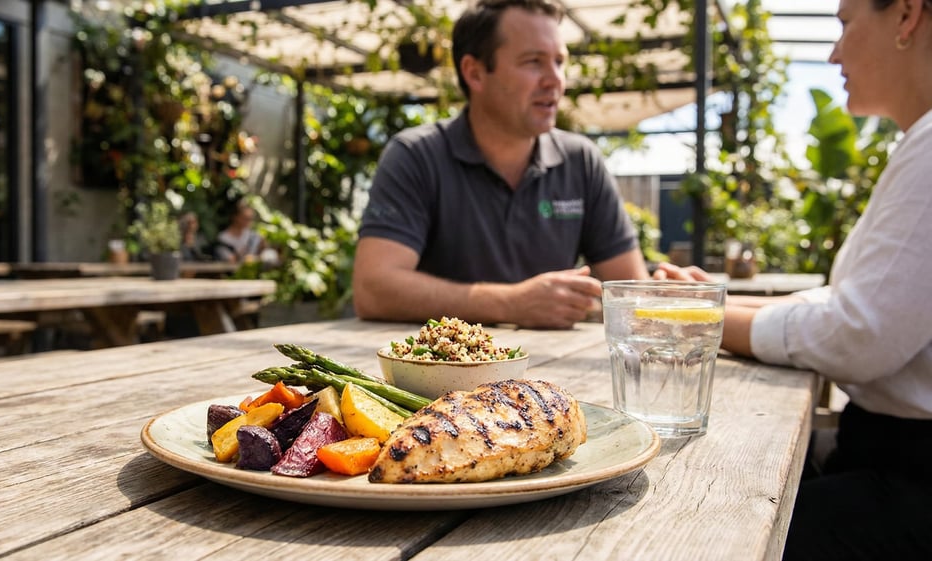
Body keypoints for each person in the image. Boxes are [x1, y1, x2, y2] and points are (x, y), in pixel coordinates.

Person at [655, 1, 932, 557]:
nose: (834, 52)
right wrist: (716, 303)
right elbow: (855, 305)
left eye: (845, 23)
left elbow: (859, 332)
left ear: (905, 16)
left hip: (912, 484)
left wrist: (694, 317)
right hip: (887, 455)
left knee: (696, 525)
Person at [352, 0, 649, 329]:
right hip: (439, 376)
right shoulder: (416, 155)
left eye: (559, 62)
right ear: (475, 73)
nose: (555, 80)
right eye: (534, 62)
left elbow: (633, 295)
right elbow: (373, 288)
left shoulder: (581, 161)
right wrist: (511, 303)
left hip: (553, 375)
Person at [214, 199, 264, 264]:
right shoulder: (223, 238)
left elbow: (262, 255)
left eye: (251, 219)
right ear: (235, 217)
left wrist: (262, 250)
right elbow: (230, 261)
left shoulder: (253, 235)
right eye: (246, 218)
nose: (249, 222)